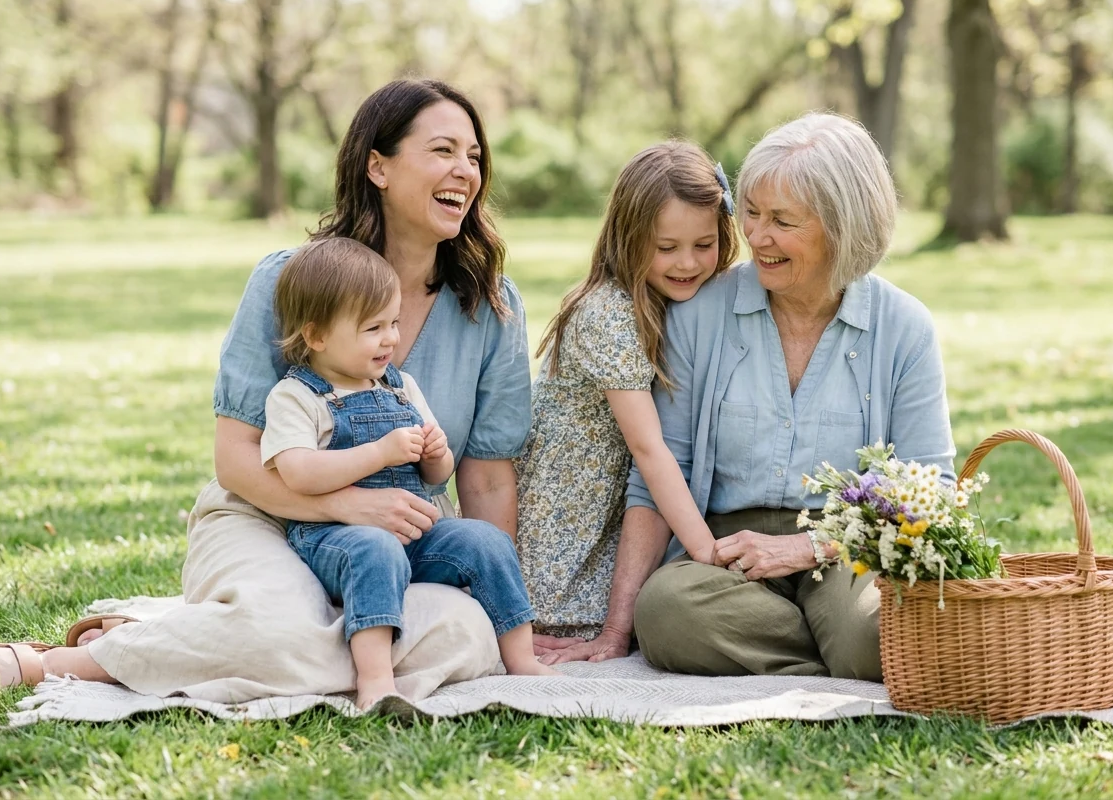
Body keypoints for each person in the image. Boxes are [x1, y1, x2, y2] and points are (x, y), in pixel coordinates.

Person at [0, 79, 532, 705]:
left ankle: (182, 639)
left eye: (474, 156)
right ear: (376, 166)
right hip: (263, 517)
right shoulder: (287, 282)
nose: (465, 171)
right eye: (443, 150)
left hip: (396, 544)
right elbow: (238, 458)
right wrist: (344, 506)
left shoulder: (490, 307)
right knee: (278, 635)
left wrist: (499, 603)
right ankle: (65, 663)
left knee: (470, 635)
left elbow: (486, 480)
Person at [538, 113, 956, 676]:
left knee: (870, 628)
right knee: (665, 613)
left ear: (843, 226)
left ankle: (841, 643)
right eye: (752, 213)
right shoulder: (700, 313)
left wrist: (809, 549)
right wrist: (618, 630)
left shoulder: (903, 326)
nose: (756, 237)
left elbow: (932, 490)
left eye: (782, 221)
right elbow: (661, 472)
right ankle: (835, 653)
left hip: (842, 549)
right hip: (724, 553)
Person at [265, 238, 553, 708]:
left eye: (394, 323)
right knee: (376, 550)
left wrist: (436, 452)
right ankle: (376, 679)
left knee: (485, 540)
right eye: (372, 328)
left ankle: (520, 656)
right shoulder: (297, 396)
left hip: (417, 529)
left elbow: (437, 473)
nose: (391, 339)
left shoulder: (402, 387)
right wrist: (378, 453)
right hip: (334, 538)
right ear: (316, 336)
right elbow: (299, 472)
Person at [516, 141, 741, 647]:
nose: (688, 263)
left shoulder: (670, 301)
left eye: (704, 245)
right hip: (569, 507)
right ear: (628, 237)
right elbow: (648, 447)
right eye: (666, 248)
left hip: (617, 498)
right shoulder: (608, 315)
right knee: (583, 620)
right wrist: (707, 552)